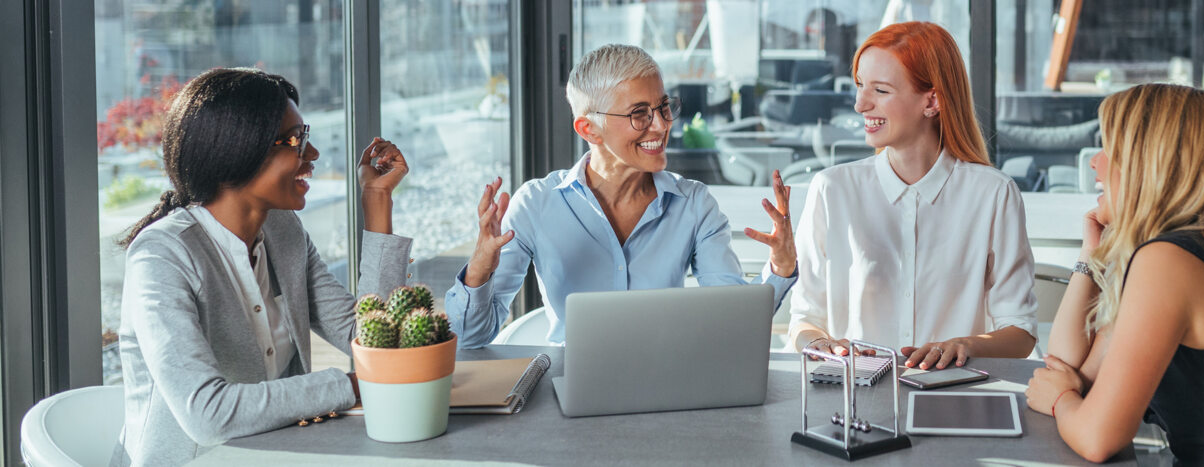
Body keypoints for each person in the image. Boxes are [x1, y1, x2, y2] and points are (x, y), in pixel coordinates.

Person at [113, 68, 412, 466]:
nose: (313, 155)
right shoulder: (162, 256)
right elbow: (207, 413)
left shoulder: (284, 231)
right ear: (235, 149)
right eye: (295, 140)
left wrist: (376, 201)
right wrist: (350, 386)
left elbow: (372, 339)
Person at [445, 44, 797, 349]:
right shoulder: (535, 204)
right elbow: (471, 339)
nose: (661, 125)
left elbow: (732, 324)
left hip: (665, 388)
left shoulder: (694, 205)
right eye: (639, 114)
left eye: (663, 107)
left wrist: (780, 268)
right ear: (589, 129)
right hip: (570, 392)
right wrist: (478, 270)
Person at [1025, 83, 1204, 464]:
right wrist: (1091, 256)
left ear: (1147, 164)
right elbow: (1068, 366)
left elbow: (1096, 437)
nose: (1096, 162)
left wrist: (1060, 400)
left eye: (1110, 149)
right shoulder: (1189, 251)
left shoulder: (1169, 263)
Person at [787, 21, 1037, 368]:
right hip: (854, 400)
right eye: (860, 86)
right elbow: (804, 318)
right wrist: (821, 344)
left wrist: (964, 345)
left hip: (954, 399)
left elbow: (1020, 332)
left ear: (931, 101)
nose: (860, 104)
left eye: (881, 90)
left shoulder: (994, 194)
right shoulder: (832, 190)